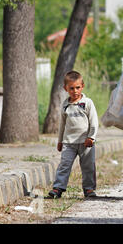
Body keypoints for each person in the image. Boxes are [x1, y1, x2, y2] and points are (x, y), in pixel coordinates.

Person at [48, 71, 99, 199]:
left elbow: (94, 122)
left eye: (77, 87)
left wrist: (91, 137)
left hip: (86, 142)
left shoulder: (87, 103)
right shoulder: (65, 105)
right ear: (66, 88)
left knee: (88, 166)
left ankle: (89, 189)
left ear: (82, 86)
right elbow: (62, 125)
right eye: (71, 88)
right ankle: (58, 188)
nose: (75, 91)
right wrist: (60, 141)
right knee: (64, 165)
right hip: (68, 143)